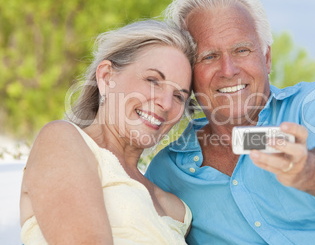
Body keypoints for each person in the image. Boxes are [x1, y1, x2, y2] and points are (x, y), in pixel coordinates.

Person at [145, 0, 315, 245]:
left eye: (241, 50)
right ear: (187, 72)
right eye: (209, 56)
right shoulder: (167, 173)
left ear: (266, 59)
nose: (228, 69)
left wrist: (305, 169)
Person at [20, 20, 197, 244]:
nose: (166, 103)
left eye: (179, 96)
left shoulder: (178, 210)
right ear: (106, 77)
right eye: (153, 80)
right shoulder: (62, 140)